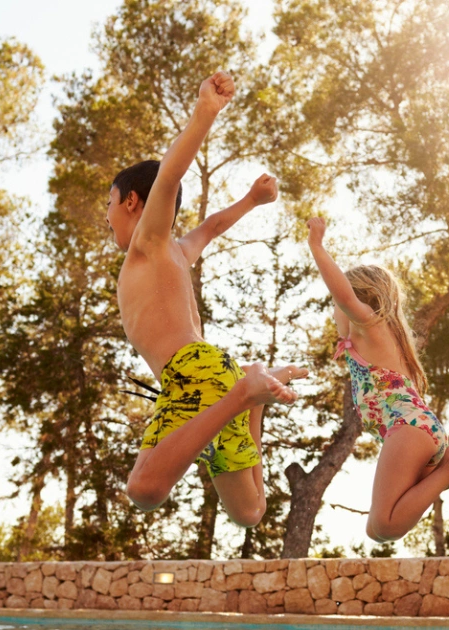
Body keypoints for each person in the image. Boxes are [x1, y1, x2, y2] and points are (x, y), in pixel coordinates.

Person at [109, 70, 307, 527]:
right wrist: (252, 200)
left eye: (110, 204)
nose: (107, 217)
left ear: (133, 202)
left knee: (144, 490)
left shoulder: (150, 242)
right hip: (209, 373)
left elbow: (170, 176)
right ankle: (252, 397)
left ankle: (244, 395)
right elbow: (213, 225)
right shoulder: (178, 250)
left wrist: (205, 114)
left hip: (194, 372)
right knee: (250, 512)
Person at [306, 216, 449, 542]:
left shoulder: (370, 325)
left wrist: (317, 245)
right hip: (419, 432)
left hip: (408, 432)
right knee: (376, 530)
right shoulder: (378, 343)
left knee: (384, 526)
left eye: (337, 304)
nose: (335, 311)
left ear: (359, 301)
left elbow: (343, 296)